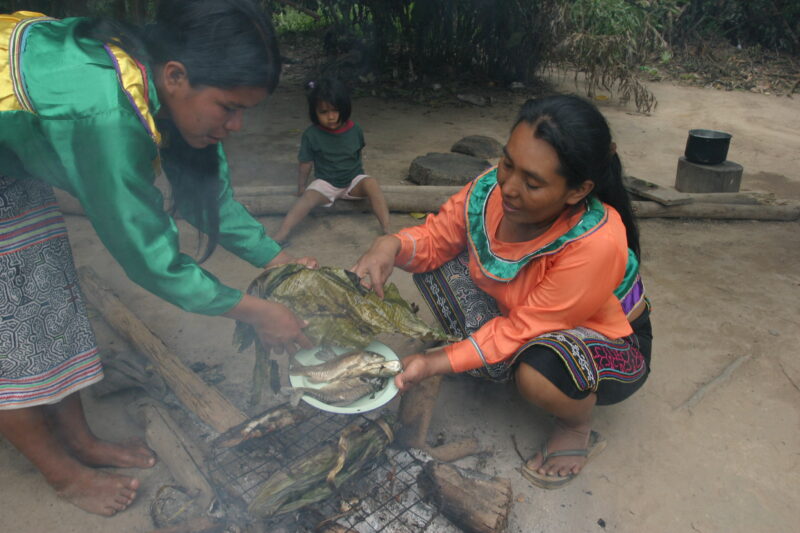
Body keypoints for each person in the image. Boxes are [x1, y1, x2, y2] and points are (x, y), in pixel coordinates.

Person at [0, 1, 316, 516]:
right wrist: (258, 311)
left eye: (245, 111)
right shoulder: (103, 113)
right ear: (176, 76)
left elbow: (206, 196)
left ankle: (78, 440)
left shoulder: (161, 84)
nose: (236, 125)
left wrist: (273, 257)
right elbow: (148, 257)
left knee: (46, 302)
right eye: (229, 107)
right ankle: (63, 475)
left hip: (11, 168)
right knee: (8, 335)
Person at [351, 95, 652, 490]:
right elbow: (437, 238)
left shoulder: (596, 242)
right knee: (434, 264)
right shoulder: (491, 189)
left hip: (610, 342)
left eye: (533, 182)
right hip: (527, 312)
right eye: (508, 163)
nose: (508, 187)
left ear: (578, 190)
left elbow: (524, 328)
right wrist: (389, 245)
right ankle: (486, 361)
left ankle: (575, 425)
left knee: (537, 374)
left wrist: (434, 361)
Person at [271, 78, 390, 244]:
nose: (331, 117)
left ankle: (387, 229)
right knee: (307, 198)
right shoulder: (311, 135)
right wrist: (301, 186)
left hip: (353, 182)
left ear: (344, 108)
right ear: (314, 112)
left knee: (372, 184)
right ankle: (283, 232)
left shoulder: (355, 130)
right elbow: (305, 162)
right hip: (325, 184)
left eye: (335, 110)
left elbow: (357, 154)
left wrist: (359, 178)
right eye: (324, 112)